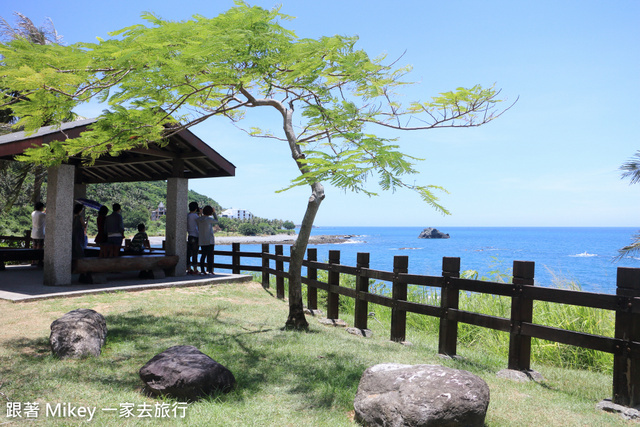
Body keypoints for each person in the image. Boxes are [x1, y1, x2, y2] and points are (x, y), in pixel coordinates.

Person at [196, 205, 219, 275]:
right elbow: (216, 220)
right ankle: (210, 270)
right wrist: (214, 213)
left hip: (202, 239)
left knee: (203, 255)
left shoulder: (198, 219)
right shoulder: (209, 219)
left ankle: (202, 270)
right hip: (210, 240)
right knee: (210, 256)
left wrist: (200, 213)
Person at [186, 202, 200, 274]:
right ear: (196, 208)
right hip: (195, 236)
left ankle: (188, 268)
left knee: (188, 253)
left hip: (189, 235)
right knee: (195, 253)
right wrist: (200, 214)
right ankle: (195, 269)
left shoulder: (187, 215)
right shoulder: (195, 216)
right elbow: (200, 222)